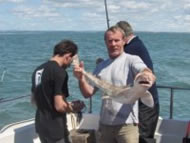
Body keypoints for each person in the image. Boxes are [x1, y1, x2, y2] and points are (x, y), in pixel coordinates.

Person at [73, 26, 156, 143]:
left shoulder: (132, 60)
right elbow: (88, 93)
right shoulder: (101, 66)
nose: (113, 44)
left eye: (117, 40)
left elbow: (145, 70)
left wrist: (147, 76)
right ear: (106, 43)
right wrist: (81, 78)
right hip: (105, 124)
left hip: (127, 126)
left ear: (123, 41)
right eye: (110, 41)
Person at [31, 40, 85, 143]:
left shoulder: (37, 70)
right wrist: (75, 107)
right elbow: (59, 106)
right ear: (68, 56)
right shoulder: (60, 72)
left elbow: (36, 100)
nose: (70, 64)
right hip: (56, 128)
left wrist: (67, 104)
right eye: (71, 60)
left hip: (41, 126)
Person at [116, 21, 159, 143]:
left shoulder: (131, 48)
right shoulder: (137, 44)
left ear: (123, 36)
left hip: (145, 102)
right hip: (144, 99)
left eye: (117, 38)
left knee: (143, 137)